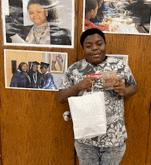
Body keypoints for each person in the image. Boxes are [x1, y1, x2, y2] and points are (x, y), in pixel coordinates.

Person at [58, 28, 137, 165]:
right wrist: (77, 87)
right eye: (89, 46)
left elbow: (134, 87)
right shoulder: (74, 70)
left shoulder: (120, 66)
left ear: (105, 45)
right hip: (86, 138)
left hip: (113, 137)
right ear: (83, 48)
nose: (95, 48)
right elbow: (60, 98)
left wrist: (124, 90)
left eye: (99, 44)